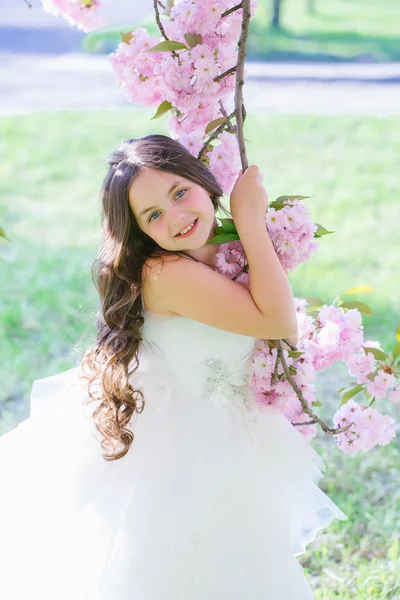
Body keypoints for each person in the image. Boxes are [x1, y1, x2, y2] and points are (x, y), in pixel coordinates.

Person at [0, 134, 347, 599]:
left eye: (179, 193)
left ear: (203, 181)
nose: (177, 218)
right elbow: (279, 323)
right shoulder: (166, 273)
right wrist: (249, 219)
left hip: (225, 431)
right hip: (180, 445)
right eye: (154, 216)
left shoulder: (215, 251)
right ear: (142, 233)